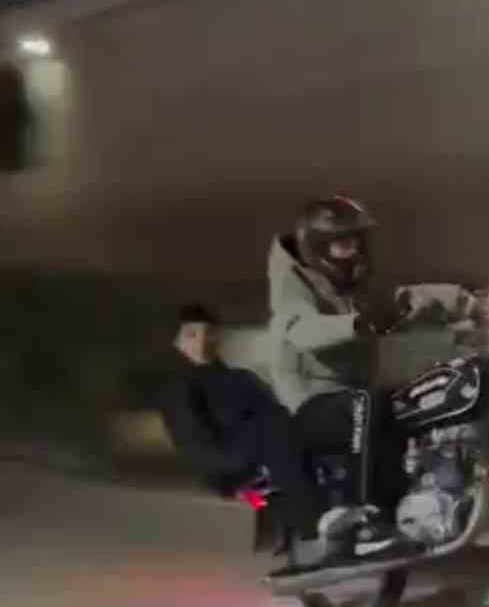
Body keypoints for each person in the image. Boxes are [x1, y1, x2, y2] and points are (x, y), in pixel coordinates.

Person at [268, 195, 472, 568]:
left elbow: (404, 300)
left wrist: (466, 301)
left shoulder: (356, 282)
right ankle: (364, 523)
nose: (353, 249)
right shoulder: (290, 283)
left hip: (353, 396)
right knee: (368, 403)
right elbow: (300, 328)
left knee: (415, 399)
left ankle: (415, 507)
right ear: (317, 246)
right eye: (341, 243)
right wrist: (355, 324)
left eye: (356, 240)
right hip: (308, 402)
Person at [158, 303, 326, 565]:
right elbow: (194, 445)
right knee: (272, 431)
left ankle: (344, 513)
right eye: (191, 335)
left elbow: (277, 414)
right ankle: (312, 528)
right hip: (232, 472)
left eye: (209, 333)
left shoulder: (242, 378)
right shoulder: (181, 388)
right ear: (177, 343)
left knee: (307, 425)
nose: (202, 340)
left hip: (266, 459)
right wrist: (232, 479)